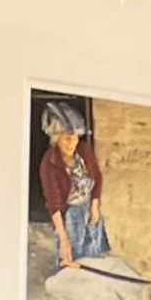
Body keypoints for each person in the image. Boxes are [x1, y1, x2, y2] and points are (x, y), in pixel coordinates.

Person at [37, 99, 109, 274]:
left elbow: (97, 177)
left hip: (89, 209)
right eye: (67, 138)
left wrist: (94, 204)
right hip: (71, 216)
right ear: (56, 138)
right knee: (71, 260)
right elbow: (54, 203)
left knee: (94, 258)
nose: (72, 143)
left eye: (75, 137)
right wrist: (63, 237)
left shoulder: (84, 151)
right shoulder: (49, 164)